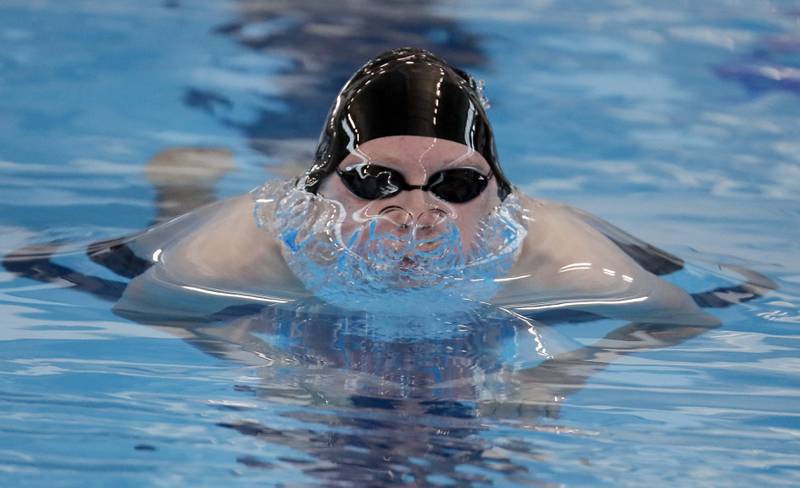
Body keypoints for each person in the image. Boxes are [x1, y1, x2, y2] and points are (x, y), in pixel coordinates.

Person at [3, 48, 771, 325]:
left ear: (499, 196)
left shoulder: (554, 253)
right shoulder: (241, 255)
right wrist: (256, 356)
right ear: (321, 191)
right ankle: (177, 192)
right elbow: (152, 306)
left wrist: (563, 374)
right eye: (375, 182)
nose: (418, 212)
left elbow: (679, 321)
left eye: (457, 186)